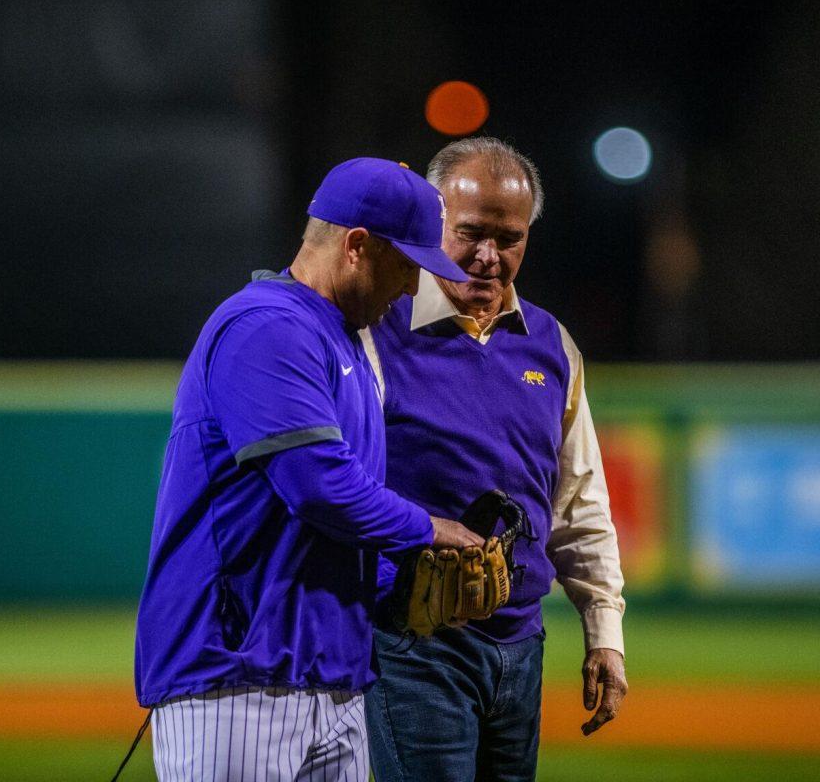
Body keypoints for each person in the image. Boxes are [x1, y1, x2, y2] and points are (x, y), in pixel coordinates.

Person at [134, 157, 483, 782]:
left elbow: (338, 524)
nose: (411, 288)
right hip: (237, 677)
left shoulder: (343, 342)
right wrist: (429, 530)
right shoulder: (266, 328)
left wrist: (395, 588)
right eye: (407, 265)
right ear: (356, 246)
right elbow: (319, 488)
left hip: (333, 676)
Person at [361, 138, 627, 781]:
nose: (488, 256)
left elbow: (578, 503)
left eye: (509, 238)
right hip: (412, 644)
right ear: (432, 223)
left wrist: (604, 632)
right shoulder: (375, 325)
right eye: (471, 233)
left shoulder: (552, 344)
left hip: (520, 645)